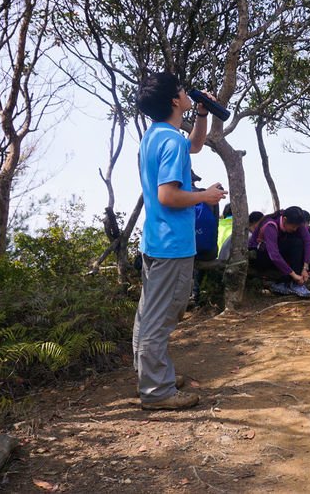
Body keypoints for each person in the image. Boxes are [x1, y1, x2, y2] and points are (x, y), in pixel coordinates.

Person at [133, 72, 226, 410]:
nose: (188, 93)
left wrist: (203, 113)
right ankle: (156, 391)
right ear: (175, 100)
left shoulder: (157, 136)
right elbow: (169, 195)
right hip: (172, 244)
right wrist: (205, 195)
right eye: (184, 91)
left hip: (156, 239)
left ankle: (151, 375)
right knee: (162, 316)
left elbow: (196, 145)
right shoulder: (170, 141)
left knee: (149, 314)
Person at [248, 206, 310, 298]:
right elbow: (274, 255)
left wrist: (305, 268)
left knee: (297, 242)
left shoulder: (297, 222)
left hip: (278, 251)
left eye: (297, 227)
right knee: (294, 242)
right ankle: (285, 283)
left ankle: (293, 284)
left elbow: (308, 241)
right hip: (261, 255)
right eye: (293, 227)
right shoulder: (270, 225)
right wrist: (294, 275)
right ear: (284, 219)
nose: (295, 229)